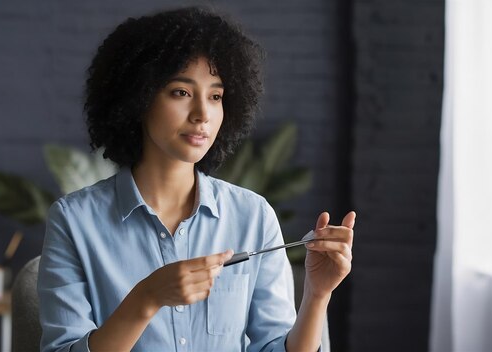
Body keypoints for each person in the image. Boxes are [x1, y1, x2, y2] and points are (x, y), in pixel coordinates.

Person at [37, 6, 355, 352]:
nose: (203, 114)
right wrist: (147, 298)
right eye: (181, 92)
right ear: (138, 98)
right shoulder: (74, 221)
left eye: (216, 96)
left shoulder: (252, 215)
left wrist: (317, 294)